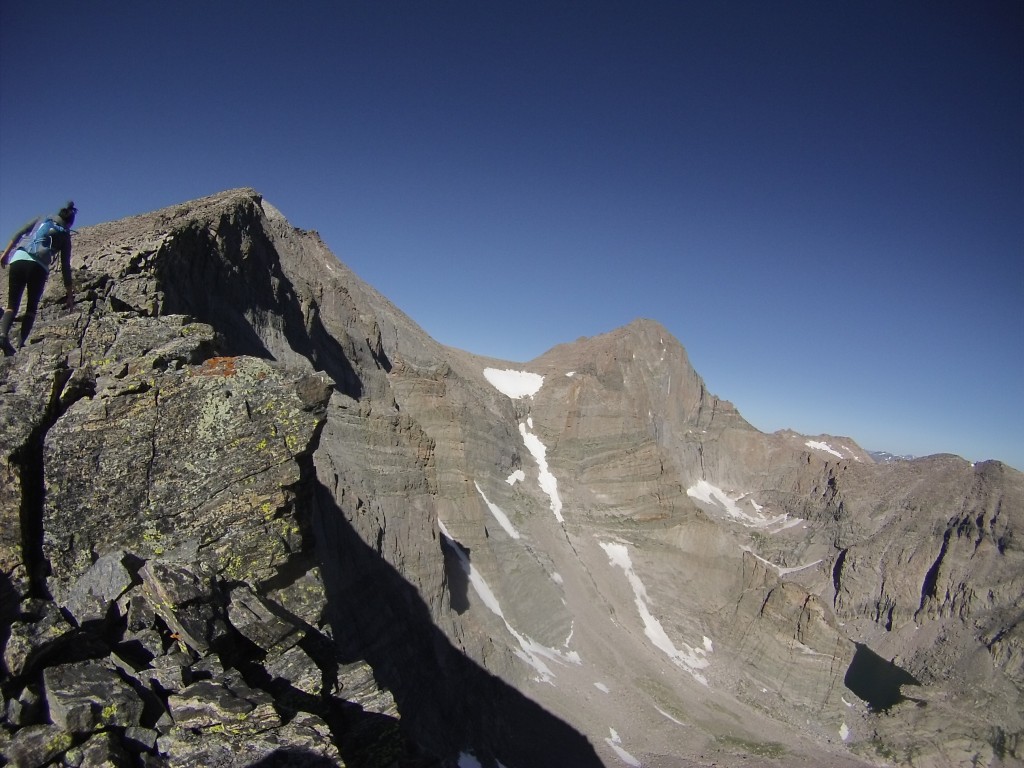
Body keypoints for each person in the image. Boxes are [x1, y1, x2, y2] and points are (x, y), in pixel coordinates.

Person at [0, 200, 76, 353]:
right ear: (69, 223)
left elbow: (19, 234)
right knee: (31, 307)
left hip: (18, 259)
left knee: (11, 305)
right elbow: (65, 267)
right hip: (38, 267)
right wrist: (69, 294)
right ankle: (20, 346)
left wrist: (5, 254)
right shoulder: (65, 235)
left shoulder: (41, 219)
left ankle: (2, 335)